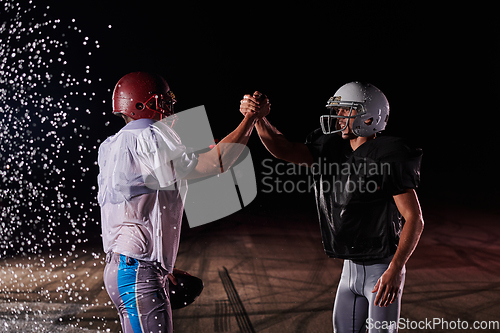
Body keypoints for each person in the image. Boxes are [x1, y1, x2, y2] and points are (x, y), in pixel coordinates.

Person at [240, 82, 424, 333]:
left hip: (382, 269)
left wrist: (396, 268)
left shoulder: (387, 155)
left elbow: (414, 218)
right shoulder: (332, 147)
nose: (338, 117)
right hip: (349, 270)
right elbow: (283, 149)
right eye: (337, 111)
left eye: (345, 111)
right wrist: (259, 119)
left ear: (369, 117)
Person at [97, 71, 263, 333]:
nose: (168, 108)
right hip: (138, 271)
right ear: (141, 104)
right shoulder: (148, 136)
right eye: (161, 101)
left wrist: (160, 264)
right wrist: (250, 119)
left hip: (124, 267)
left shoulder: (112, 145)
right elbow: (216, 162)